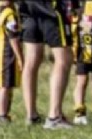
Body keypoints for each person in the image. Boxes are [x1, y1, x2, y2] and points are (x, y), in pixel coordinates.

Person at [18, 0, 77, 129]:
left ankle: (31, 115)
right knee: (63, 58)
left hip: (28, 9)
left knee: (31, 59)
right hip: (51, 10)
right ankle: (54, 117)